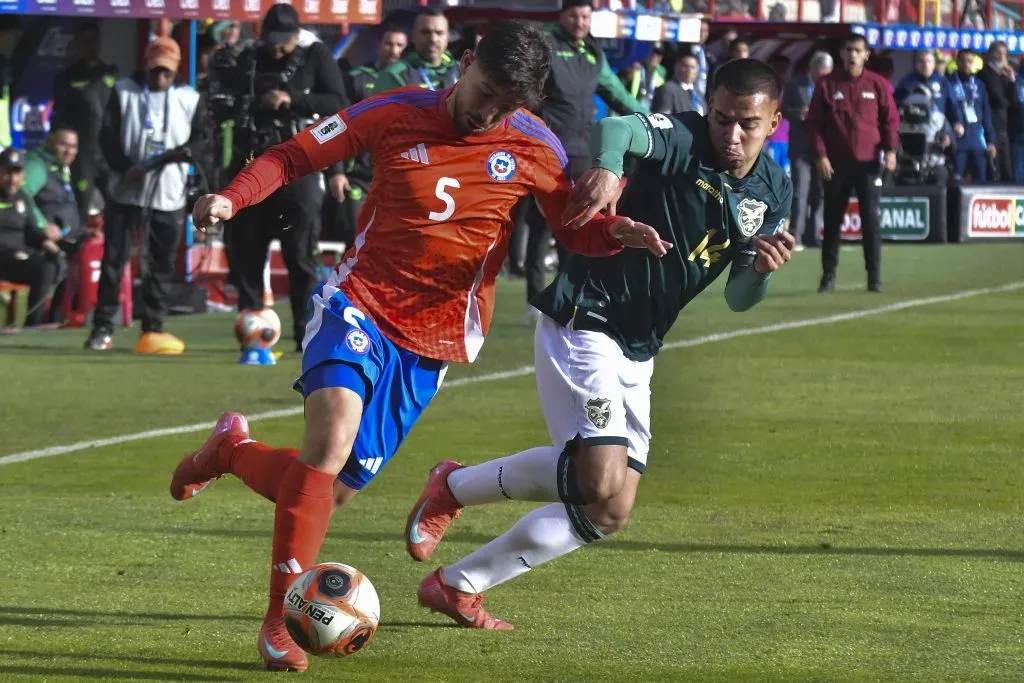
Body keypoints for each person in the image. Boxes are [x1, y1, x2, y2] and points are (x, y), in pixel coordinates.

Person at [171, 20, 669, 672]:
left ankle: (233, 451)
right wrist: (231, 200)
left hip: (436, 339)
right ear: (464, 62)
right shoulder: (394, 111)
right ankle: (281, 623)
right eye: (482, 90)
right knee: (328, 445)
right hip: (361, 304)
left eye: (502, 104)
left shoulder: (534, 146)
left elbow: (572, 230)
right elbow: (294, 156)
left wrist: (611, 234)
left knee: (334, 488)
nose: (485, 112)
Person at [404, 58, 795, 630]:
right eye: (721, 118)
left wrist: (761, 271)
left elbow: (740, 297)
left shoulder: (773, 189)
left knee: (610, 510)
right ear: (707, 109)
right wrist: (611, 170)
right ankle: (454, 488)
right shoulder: (684, 137)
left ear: (774, 122)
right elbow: (615, 129)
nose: (731, 136)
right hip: (587, 318)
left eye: (747, 125)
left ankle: (460, 584)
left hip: (640, 344)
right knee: (598, 479)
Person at [84, 37, 206, 354]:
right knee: (115, 260)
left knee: (161, 264)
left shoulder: (190, 98)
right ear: (146, 66)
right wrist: (126, 167)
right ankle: (102, 327)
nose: (160, 78)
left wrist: (184, 156)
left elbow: (201, 140)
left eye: (166, 72)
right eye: (155, 72)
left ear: (176, 69)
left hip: (169, 193)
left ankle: (153, 328)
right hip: (127, 192)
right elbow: (107, 136)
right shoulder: (124, 91)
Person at [807, 32, 898, 294]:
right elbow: (814, 124)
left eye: (858, 50)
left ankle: (874, 278)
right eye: (849, 50)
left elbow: (890, 120)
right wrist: (820, 155)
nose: (853, 55)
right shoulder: (826, 84)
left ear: (866, 54)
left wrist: (890, 151)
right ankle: (828, 277)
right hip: (835, 164)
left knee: (871, 222)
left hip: (869, 164)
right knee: (832, 222)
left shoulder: (878, 84)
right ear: (842, 53)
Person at [50, 23, 118, 222]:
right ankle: (78, 248)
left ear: (99, 42)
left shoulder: (111, 74)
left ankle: (112, 251)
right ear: (77, 44)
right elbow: (60, 118)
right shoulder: (67, 77)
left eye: (93, 40)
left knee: (115, 208)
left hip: (108, 156)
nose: (89, 45)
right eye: (84, 40)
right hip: (83, 156)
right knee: (82, 206)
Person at [0, 148, 62, 327]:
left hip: (18, 259)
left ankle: (33, 325)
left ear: (23, 175)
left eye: (17, 173)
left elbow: (35, 231)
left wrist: (56, 253)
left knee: (48, 267)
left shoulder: (22, 198)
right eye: (7, 173)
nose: (12, 179)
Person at [783, 50, 832, 249]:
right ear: (812, 69)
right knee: (800, 193)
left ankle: (815, 235)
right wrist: (799, 113)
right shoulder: (796, 85)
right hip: (801, 148)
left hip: (823, 150)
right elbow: (784, 110)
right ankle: (796, 235)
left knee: (819, 194)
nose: (823, 78)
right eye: (820, 73)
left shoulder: (831, 86)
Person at [372, 10, 460, 93]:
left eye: (439, 33)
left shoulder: (463, 70)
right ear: (413, 36)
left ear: (448, 37)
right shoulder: (394, 75)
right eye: (425, 32)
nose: (433, 39)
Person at [948, 47, 997, 184]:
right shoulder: (949, 83)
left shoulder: (979, 85)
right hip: (958, 142)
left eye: (969, 61)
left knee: (980, 181)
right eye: (963, 61)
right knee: (956, 182)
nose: (966, 64)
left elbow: (986, 114)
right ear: (957, 62)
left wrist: (991, 141)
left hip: (978, 142)